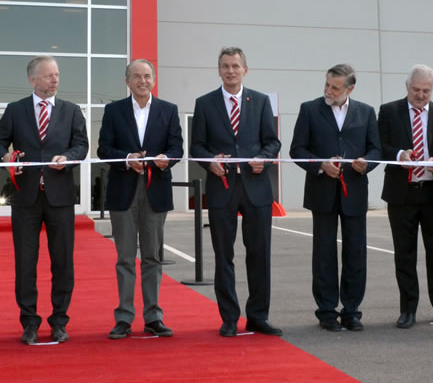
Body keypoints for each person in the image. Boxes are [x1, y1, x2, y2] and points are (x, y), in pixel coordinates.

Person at [190, 47, 281, 337]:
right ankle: (229, 317)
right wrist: (210, 162)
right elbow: (197, 148)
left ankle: (258, 316)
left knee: (259, 255)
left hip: (256, 189)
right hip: (222, 189)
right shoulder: (205, 104)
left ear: (245, 70)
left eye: (235, 66)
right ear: (219, 70)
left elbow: (272, 142)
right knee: (223, 256)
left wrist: (263, 159)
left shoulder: (261, 101)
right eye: (225, 66)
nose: (230, 71)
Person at [0, 55, 88, 345]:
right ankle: (29, 322)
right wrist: (6, 156)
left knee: (62, 261)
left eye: (57, 75)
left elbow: (81, 144)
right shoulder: (15, 110)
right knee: (26, 262)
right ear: (32, 79)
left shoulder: (71, 110)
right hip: (24, 197)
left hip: (60, 196)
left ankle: (59, 320)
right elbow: (0, 141)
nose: (55, 80)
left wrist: (70, 157)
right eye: (49, 75)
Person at [290, 64, 381, 332]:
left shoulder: (366, 112)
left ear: (350, 89)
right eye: (327, 84)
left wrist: (368, 162)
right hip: (322, 192)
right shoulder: (309, 109)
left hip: (354, 191)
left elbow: (376, 148)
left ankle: (352, 311)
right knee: (324, 254)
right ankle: (327, 311)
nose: (329, 90)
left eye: (335, 87)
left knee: (355, 253)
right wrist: (320, 164)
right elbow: (297, 149)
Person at [98, 59, 183, 339]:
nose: (142, 81)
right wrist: (126, 158)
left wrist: (165, 160)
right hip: (123, 192)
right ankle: (123, 317)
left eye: (147, 76)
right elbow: (103, 148)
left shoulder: (168, 110)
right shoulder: (113, 111)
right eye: (136, 76)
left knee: (152, 256)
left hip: (155, 191)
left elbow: (177, 147)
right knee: (124, 257)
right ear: (127, 81)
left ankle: (153, 316)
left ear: (154, 79)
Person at [378, 64, 433, 329]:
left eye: (426, 90)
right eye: (416, 89)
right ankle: (408, 309)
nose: (421, 95)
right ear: (407, 87)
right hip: (402, 194)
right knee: (404, 254)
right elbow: (380, 146)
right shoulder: (389, 112)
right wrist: (399, 154)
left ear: (432, 90)